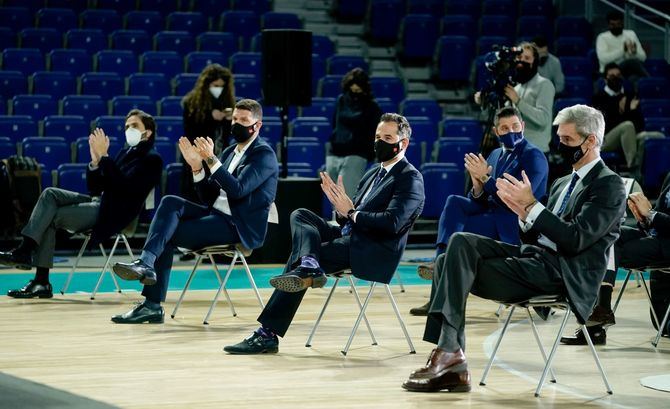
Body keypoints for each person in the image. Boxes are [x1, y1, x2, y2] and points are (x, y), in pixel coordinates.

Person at [402, 104, 626, 393]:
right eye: (559, 138)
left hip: (562, 275)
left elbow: (574, 240)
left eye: (568, 140)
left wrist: (531, 205)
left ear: (591, 141)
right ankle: (450, 355)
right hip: (534, 260)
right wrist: (523, 216)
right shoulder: (561, 183)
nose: (560, 146)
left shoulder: (609, 185)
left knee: (449, 265)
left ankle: (450, 358)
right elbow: (536, 236)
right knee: (457, 245)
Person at [223, 113, 425, 354]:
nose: (380, 141)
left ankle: (269, 331)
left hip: (373, 249)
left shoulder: (410, 178)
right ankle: (309, 265)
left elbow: (392, 223)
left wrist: (350, 212)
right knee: (301, 215)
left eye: (387, 137)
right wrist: (341, 211)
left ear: (403, 143)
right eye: (377, 136)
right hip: (350, 236)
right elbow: (351, 215)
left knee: (301, 260)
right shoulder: (372, 173)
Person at [110, 99, 279, 324]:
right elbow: (209, 197)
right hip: (216, 215)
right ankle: (146, 263)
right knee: (170, 202)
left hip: (237, 226)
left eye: (244, 120)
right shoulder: (230, 151)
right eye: (235, 119)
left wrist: (210, 159)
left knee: (166, 235)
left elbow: (238, 190)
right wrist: (197, 168)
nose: (237, 124)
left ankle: (151, 304)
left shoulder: (263, 155)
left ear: (257, 126)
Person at [0, 110, 163, 298]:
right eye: (126, 126)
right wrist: (95, 163)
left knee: (51, 216)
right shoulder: (126, 152)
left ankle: (40, 279)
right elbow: (95, 188)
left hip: (114, 213)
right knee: (50, 194)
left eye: (134, 126)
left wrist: (104, 158)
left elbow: (125, 188)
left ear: (148, 132)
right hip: (100, 201)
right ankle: (25, 252)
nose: (128, 130)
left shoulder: (153, 159)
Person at [410, 107, 548, 316]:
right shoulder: (494, 154)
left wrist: (485, 179)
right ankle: (442, 256)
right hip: (491, 214)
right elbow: (482, 198)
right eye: (504, 128)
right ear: (496, 131)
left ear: (523, 126)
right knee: (455, 201)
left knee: (460, 239)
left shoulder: (533, 156)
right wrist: (477, 186)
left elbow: (518, 199)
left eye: (515, 126)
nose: (511, 131)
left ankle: (442, 273)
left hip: (512, 221)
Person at [561, 172, 670, 345]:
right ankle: (599, 316)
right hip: (659, 237)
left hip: (667, 247)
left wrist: (651, 214)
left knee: (609, 245)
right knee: (604, 233)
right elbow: (659, 217)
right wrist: (644, 219)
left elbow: (658, 217)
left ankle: (600, 315)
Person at [476, 42, 555, 153]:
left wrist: (518, 101)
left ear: (535, 62)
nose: (521, 61)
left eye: (527, 58)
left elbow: (543, 119)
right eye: (519, 57)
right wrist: (485, 101)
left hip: (535, 152)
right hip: (514, 152)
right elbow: (500, 117)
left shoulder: (544, 84)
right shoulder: (516, 88)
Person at [181, 64, 235, 202]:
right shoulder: (192, 103)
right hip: (197, 154)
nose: (218, 89)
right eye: (215, 85)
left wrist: (229, 120)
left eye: (221, 86)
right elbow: (190, 132)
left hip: (218, 154)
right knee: (195, 193)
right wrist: (210, 118)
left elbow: (228, 134)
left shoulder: (226, 100)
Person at [327, 67, 382, 198]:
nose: (355, 93)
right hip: (334, 152)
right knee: (333, 196)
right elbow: (334, 123)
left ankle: (348, 219)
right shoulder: (341, 101)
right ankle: (338, 218)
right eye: (352, 90)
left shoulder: (372, 107)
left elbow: (375, 132)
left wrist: (369, 153)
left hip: (356, 155)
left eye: (358, 90)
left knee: (347, 196)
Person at [592, 62, 645, 170]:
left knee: (651, 136)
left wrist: (631, 111)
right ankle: (631, 166)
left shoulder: (630, 95)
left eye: (618, 75)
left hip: (629, 136)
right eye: (612, 76)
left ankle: (638, 174)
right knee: (627, 126)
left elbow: (639, 124)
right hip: (605, 139)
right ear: (605, 79)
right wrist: (627, 110)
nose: (616, 78)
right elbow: (607, 125)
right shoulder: (599, 98)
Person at [596, 10, 648, 81]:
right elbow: (604, 59)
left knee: (634, 79)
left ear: (622, 23)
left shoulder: (631, 34)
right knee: (631, 62)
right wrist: (623, 50)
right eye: (613, 25)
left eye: (618, 24)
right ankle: (651, 81)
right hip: (610, 71)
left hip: (629, 71)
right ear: (608, 25)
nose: (616, 27)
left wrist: (635, 53)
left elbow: (643, 58)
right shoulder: (602, 37)